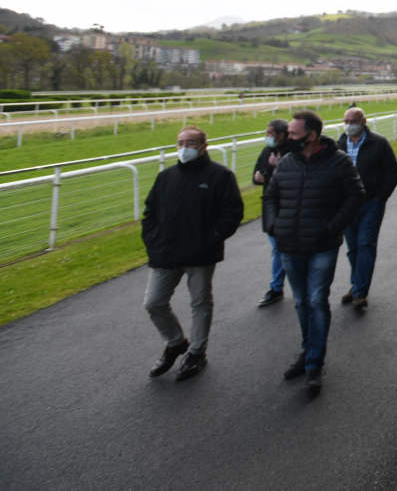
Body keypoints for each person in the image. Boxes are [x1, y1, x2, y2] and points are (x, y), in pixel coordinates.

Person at [263, 110, 364, 391]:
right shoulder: (287, 162)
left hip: (322, 245)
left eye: (294, 134)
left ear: (312, 135)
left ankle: (314, 363)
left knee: (317, 300)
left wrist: (333, 227)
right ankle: (308, 351)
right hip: (289, 244)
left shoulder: (339, 162)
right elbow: (271, 197)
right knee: (301, 302)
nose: (288, 138)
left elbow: (356, 196)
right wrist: (273, 225)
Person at [141, 126, 244, 381]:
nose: (184, 148)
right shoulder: (166, 177)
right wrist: (152, 241)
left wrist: (211, 239)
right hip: (165, 253)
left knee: (200, 303)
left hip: (201, 254)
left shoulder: (221, 176)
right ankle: (176, 342)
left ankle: (197, 352)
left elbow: (233, 213)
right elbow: (149, 212)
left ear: (203, 146)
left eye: (190, 143)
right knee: (154, 303)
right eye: (180, 143)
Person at [336, 107, 397, 311]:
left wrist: (381, 197)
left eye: (353, 121)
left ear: (363, 122)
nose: (349, 125)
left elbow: (392, 171)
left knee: (365, 244)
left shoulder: (379, 143)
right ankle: (356, 284)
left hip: (371, 203)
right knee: (353, 248)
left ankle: (360, 292)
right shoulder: (339, 144)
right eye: (346, 121)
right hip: (347, 204)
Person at [253, 118, 293, 307]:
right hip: (271, 206)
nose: (267, 136)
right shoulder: (267, 151)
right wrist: (265, 172)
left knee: (283, 249)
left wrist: (272, 170)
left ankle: (282, 286)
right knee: (278, 248)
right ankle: (277, 287)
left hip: (290, 205)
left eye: (270, 133)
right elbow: (256, 177)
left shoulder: (293, 151)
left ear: (282, 134)